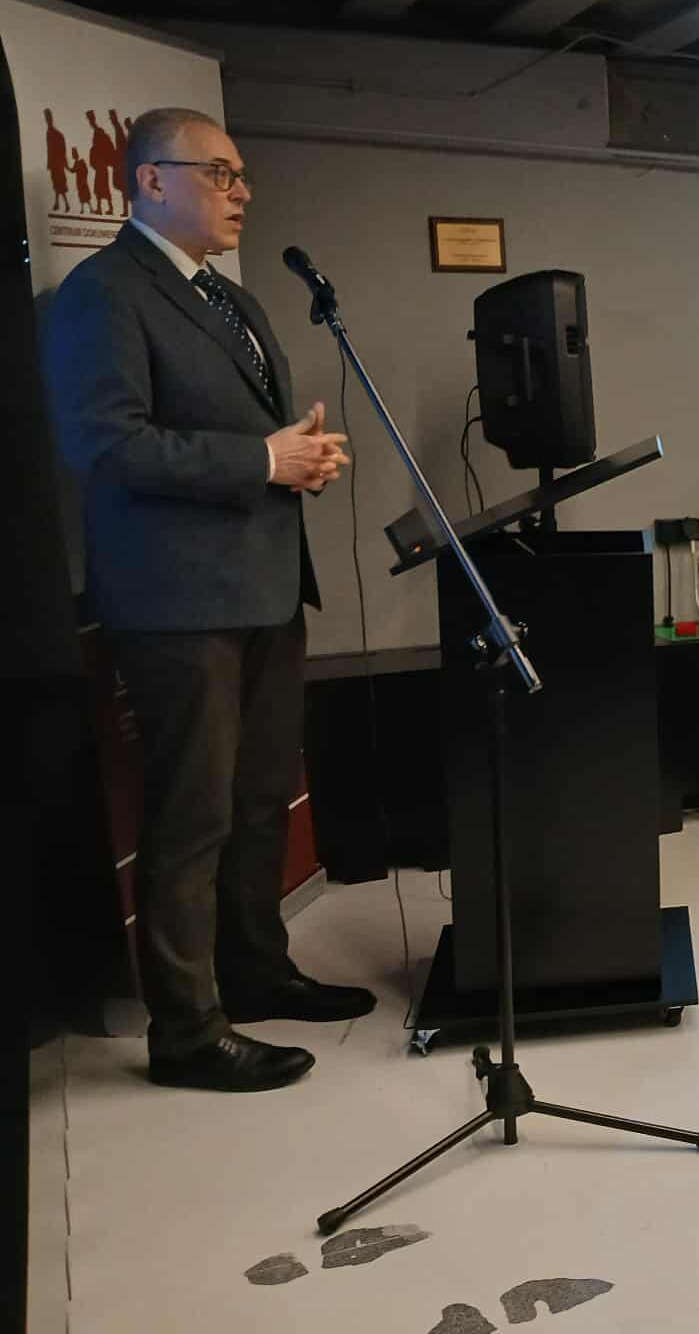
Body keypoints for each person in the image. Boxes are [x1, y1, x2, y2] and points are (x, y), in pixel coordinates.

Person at [41, 106, 368, 1094]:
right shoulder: (101, 295)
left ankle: (255, 972)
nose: (242, 192)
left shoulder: (232, 297)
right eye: (221, 173)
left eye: (241, 175)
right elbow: (105, 446)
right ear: (150, 180)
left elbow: (249, 442)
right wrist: (262, 460)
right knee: (193, 816)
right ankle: (186, 1031)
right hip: (177, 604)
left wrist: (299, 461)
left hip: (265, 586)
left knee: (260, 801)